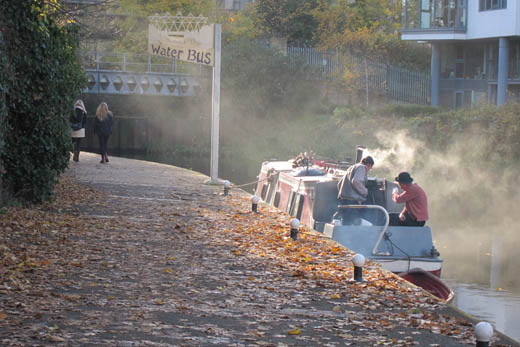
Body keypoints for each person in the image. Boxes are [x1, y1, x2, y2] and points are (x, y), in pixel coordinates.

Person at [336, 156, 374, 224]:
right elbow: (356, 181)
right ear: (369, 165)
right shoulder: (362, 168)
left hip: (343, 200)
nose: (368, 170)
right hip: (352, 202)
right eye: (370, 168)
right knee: (351, 223)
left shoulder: (351, 167)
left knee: (345, 223)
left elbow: (339, 184)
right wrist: (365, 192)